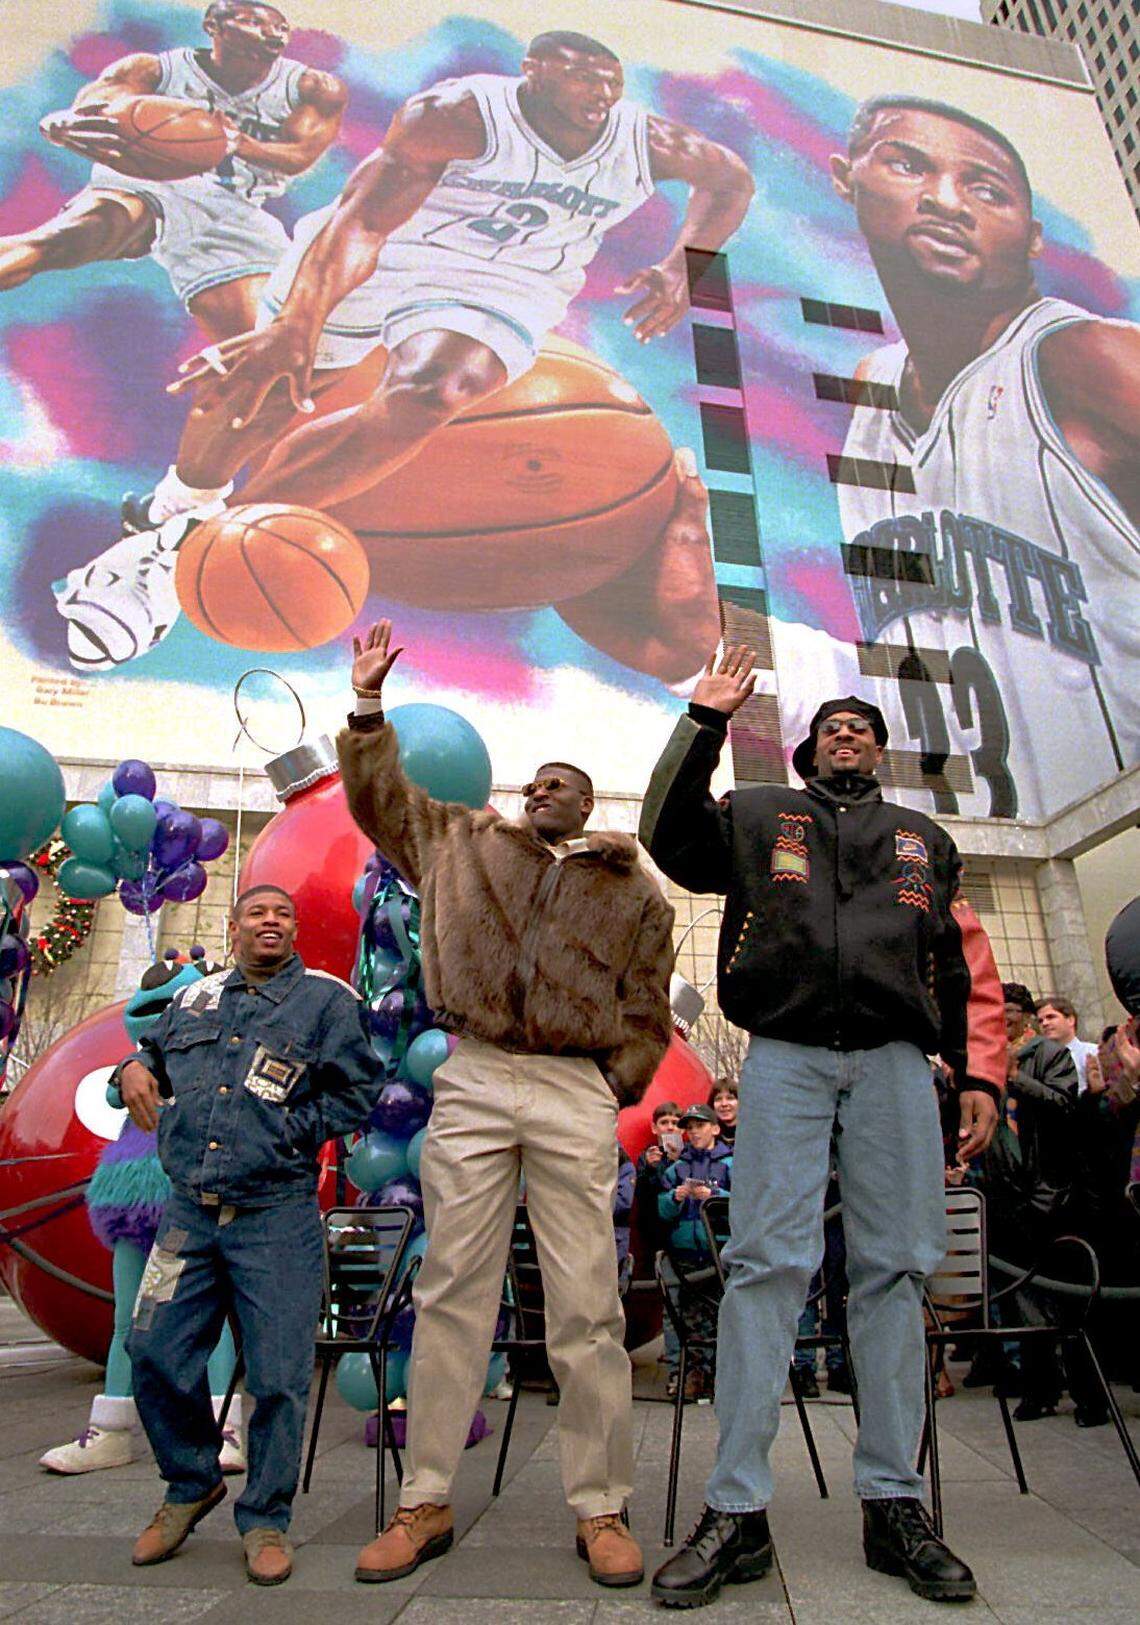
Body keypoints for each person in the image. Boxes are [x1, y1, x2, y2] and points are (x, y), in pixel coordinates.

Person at [74, 28, 752, 666]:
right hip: (387, 245)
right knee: (275, 377)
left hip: (507, 280)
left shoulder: (644, 141)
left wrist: (681, 267)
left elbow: (731, 182)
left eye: (611, 84)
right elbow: (365, 220)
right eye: (584, 81)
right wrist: (296, 328)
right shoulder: (457, 113)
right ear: (534, 74)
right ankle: (178, 503)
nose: (601, 97)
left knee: (436, 390)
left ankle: (191, 549)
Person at [641, 647, 1005, 1607]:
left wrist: (979, 1076)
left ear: (880, 752)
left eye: (865, 726)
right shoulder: (760, 815)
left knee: (895, 1267)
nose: (849, 732)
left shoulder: (924, 838)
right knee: (765, 1265)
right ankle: (738, 1511)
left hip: (895, 1061)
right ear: (807, 751)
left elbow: (959, 965)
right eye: (832, 725)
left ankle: (895, 1503)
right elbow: (668, 837)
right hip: (787, 1054)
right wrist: (703, 720)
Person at [340, 619, 675, 1589]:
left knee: (586, 1305)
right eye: (533, 780)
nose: (541, 790)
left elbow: (649, 1004)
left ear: (588, 803)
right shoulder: (462, 841)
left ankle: (599, 1505)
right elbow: (380, 799)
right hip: (478, 1074)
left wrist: (618, 1077)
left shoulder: (635, 895)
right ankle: (426, 1498)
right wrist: (368, 706)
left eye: (560, 783)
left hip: (573, 1086)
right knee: (452, 1292)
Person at [829, 94, 1140, 818]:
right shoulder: (870, 396)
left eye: (985, 188)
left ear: (1032, 237)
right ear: (846, 178)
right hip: (957, 854)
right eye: (908, 164)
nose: (946, 202)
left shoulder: (1086, 359)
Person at [22, 1, 347, 673]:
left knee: (285, 370)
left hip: (235, 220)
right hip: (148, 184)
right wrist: (67, 123)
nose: (271, 30)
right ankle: (174, 526)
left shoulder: (309, 85)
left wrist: (225, 140)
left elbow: (300, 150)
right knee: (65, 240)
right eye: (253, 17)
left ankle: (173, 510)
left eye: (278, 23)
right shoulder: (155, 69)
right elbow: (94, 105)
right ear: (215, 24)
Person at [116, 885, 382, 1586]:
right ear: (232, 927)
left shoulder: (326, 1002)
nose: (272, 920)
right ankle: (190, 1481)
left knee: (278, 1374)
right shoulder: (194, 999)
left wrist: (286, 1135)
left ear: (293, 929)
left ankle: (266, 1515)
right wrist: (129, 1067)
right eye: (258, 912)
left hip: (278, 1217)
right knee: (151, 1345)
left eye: (283, 914)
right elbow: (149, 1060)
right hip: (189, 1213)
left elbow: (359, 1089)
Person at [39, 951, 243, 1477]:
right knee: (129, 1316)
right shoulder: (139, 1062)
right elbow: (111, 1095)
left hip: (193, 1193)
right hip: (136, 1197)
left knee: (205, 1315)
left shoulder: (220, 1051)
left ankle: (223, 1424)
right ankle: (110, 1427)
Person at [984, 984, 1102, 1424]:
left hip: (1052, 1194)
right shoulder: (988, 1061)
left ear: (1027, 1016)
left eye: (1010, 1011)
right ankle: (1040, 1389)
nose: (1004, 1019)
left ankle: (1089, 1395)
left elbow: (1064, 1107)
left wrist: (1018, 1079)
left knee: (1068, 1301)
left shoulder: (1047, 1055)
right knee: (1021, 1301)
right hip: (1008, 1197)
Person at [657, 1103, 733, 1402]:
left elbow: (746, 1203)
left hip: (720, 1252)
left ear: (715, 1128)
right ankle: (692, 1374)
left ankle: (719, 1377)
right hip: (685, 1254)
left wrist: (715, 1196)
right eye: (689, 1128)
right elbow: (660, 1211)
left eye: (699, 1126)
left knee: (720, 1316)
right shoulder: (677, 1168)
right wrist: (674, 1198)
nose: (693, 1132)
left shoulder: (731, 1164)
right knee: (687, 1318)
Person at [1036, 996, 1098, 1094]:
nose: (1044, 1023)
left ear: (1070, 1020)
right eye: (1040, 1021)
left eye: (1050, 1017)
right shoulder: (1039, 1062)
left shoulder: (1093, 1052)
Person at [708, 1079, 738, 1147]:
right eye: (718, 1099)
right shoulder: (707, 1137)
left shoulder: (752, 1133)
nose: (724, 1104)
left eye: (730, 1098)